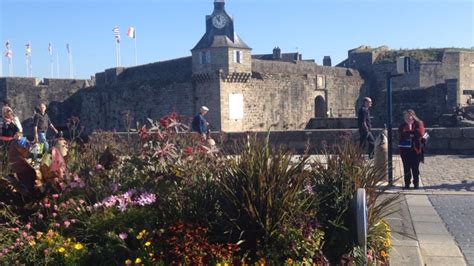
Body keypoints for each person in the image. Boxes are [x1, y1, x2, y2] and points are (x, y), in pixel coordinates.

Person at [398, 109, 425, 189]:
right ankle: (407, 183)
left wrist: (409, 133)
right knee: (406, 168)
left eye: (409, 115)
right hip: (405, 150)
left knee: (415, 168)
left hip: (415, 149)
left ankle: (416, 183)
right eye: (406, 116)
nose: (407, 117)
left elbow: (420, 133)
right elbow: (401, 134)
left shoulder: (418, 123)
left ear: (413, 116)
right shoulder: (402, 125)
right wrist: (411, 134)